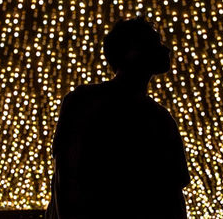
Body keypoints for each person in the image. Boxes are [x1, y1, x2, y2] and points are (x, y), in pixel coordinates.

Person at [46, 15, 191, 219]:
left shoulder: (160, 118)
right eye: (154, 43)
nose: (166, 49)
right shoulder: (86, 102)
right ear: (132, 52)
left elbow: (172, 194)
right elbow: (66, 179)